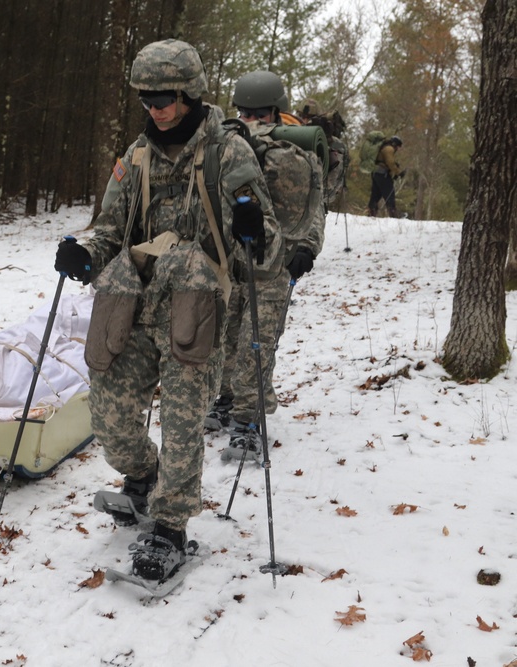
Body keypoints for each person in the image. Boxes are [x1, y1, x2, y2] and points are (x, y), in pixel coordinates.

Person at [54, 40, 282, 583]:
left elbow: (267, 253)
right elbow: (110, 229)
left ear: (190, 94)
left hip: (195, 308)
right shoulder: (135, 156)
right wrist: (85, 254)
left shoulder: (230, 153)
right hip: (132, 302)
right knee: (109, 421)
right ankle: (143, 476)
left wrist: (254, 231)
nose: (155, 109)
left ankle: (169, 526)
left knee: (182, 426)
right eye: (146, 99)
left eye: (165, 98)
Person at [206, 72, 325, 461]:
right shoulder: (230, 147)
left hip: (274, 263)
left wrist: (307, 247)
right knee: (227, 336)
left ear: (275, 112)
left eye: (259, 113)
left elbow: (313, 206)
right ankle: (226, 399)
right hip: (233, 261)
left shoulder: (293, 153)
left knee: (256, 343)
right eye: (246, 112)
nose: (253, 120)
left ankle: (248, 421)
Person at [297, 98, 348, 210]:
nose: (305, 121)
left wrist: (325, 146)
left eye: (310, 118)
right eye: (302, 117)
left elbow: (329, 192)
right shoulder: (289, 136)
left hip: (314, 209)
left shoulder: (335, 144)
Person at [367, 135, 403, 217]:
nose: (398, 149)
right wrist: (398, 172)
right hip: (382, 174)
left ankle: (371, 212)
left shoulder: (383, 147)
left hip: (375, 173)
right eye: (398, 147)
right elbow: (390, 163)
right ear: (395, 144)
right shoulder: (389, 149)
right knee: (390, 193)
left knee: (376, 194)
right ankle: (393, 213)